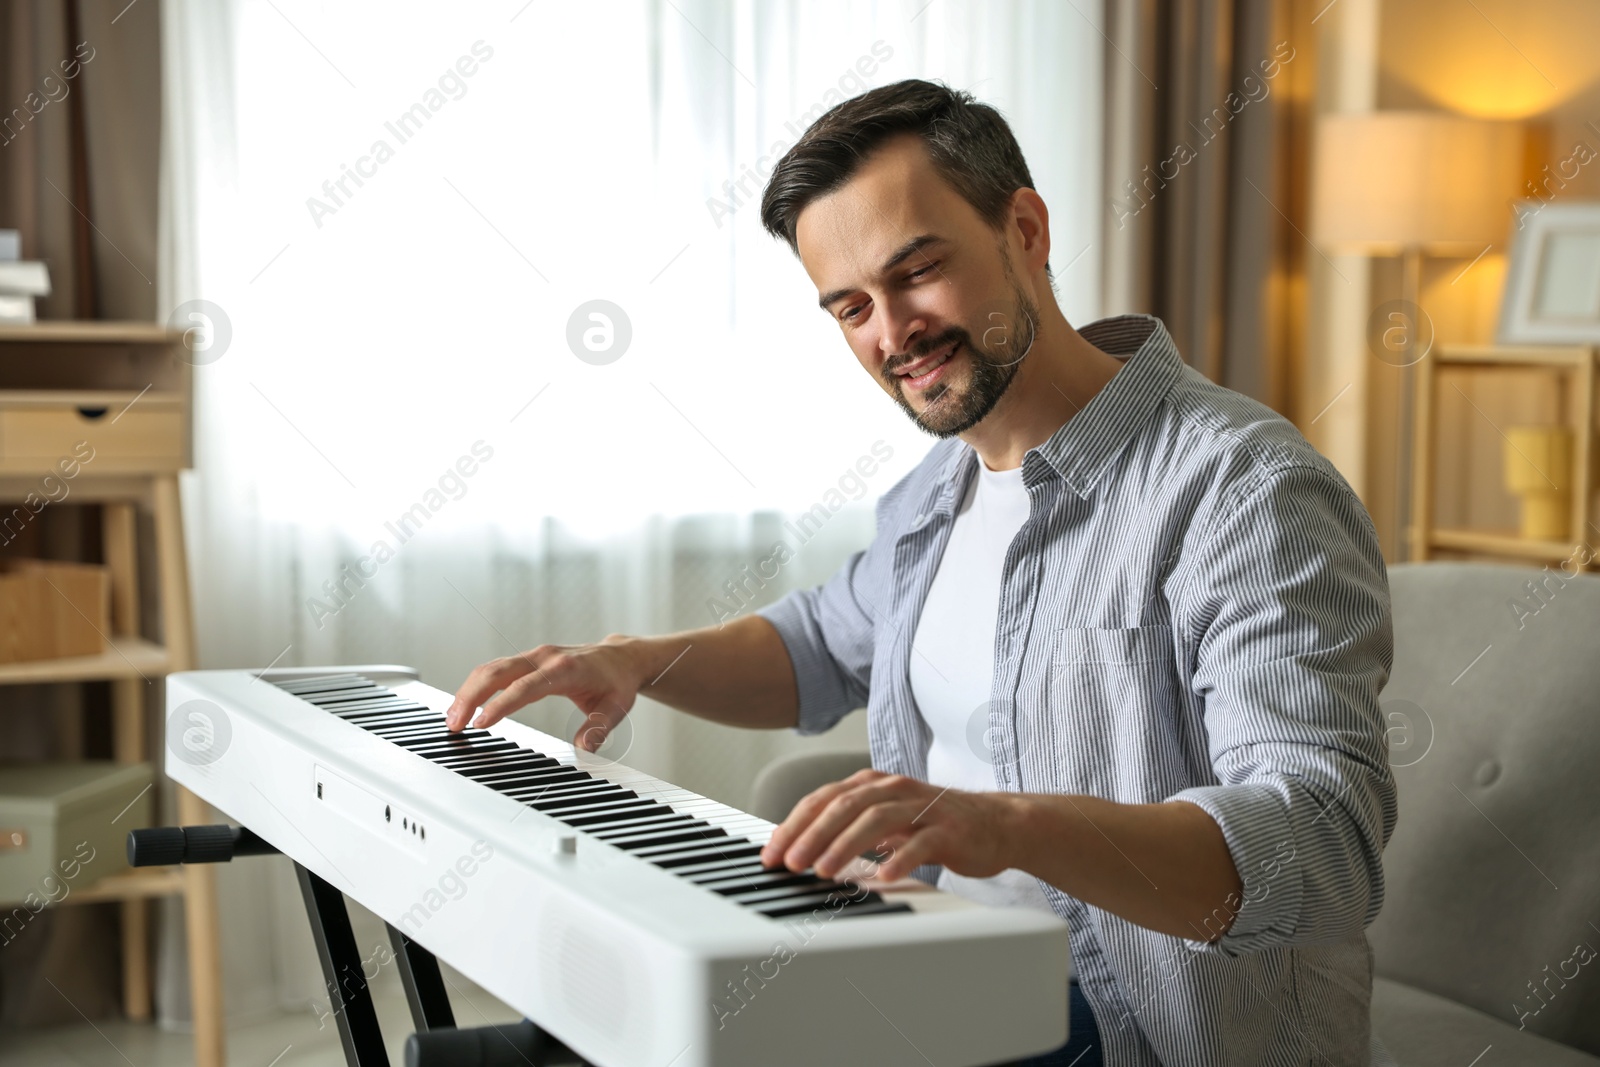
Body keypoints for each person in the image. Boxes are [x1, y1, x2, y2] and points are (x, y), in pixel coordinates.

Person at [448, 79, 1397, 1067]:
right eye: (851, 305)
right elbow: (818, 642)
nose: (891, 331)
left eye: (917, 272)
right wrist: (635, 659)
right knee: (541, 1044)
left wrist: (1003, 824)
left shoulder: (1244, 489)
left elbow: (1317, 847)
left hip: (1131, 1025)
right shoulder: (935, 491)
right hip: (941, 972)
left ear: (1023, 228)